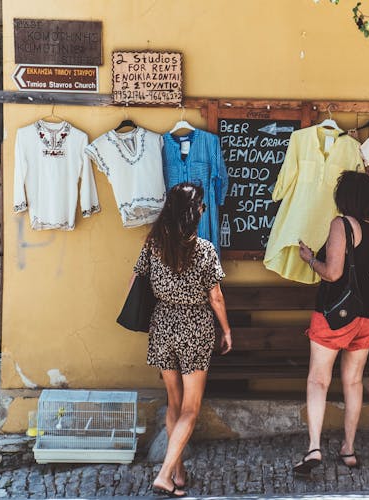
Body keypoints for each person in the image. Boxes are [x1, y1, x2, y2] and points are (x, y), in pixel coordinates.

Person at [130, 183, 232, 497]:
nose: (203, 209)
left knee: (174, 402)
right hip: (195, 327)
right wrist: (226, 330)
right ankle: (164, 474)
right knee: (191, 408)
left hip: (162, 325)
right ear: (193, 212)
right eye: (201, 205)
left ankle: (179, 473)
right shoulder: (204, 249)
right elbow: (215, 297)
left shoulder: (153, 245)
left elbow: (136, 280)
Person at [294, 171, 369, 474]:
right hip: (368, 311)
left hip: (336, 312)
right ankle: (349, 449)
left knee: (319, 378)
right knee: (354, 381)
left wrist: (308, 259)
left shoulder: (340, 225)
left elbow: (332, 273)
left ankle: (314, 448)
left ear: (342, 198)